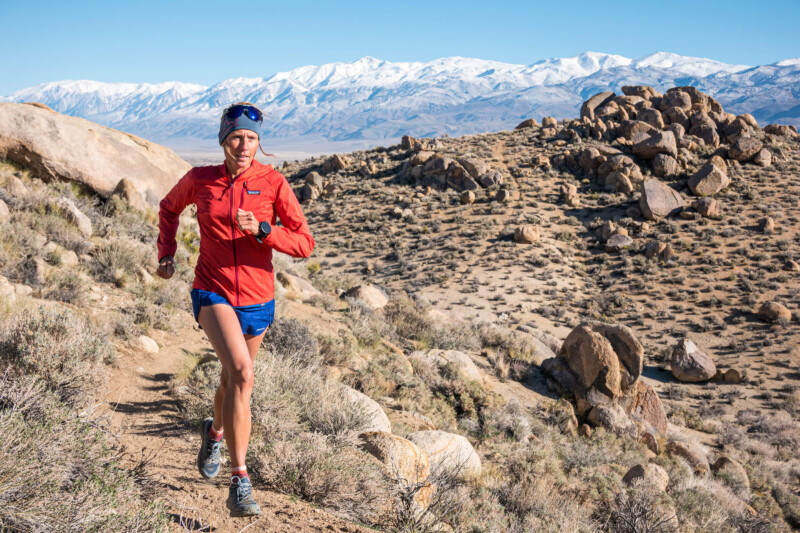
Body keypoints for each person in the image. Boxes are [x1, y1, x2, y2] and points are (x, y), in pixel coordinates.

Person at [155, 102, 314, 517]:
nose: (245, 146)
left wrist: (264, 230)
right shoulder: (200, 179)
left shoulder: (273, 182)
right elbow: (168, 208)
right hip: (213, 291)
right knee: (244, 374)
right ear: (223, 140)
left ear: (260, 143)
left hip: (259, 301)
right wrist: (166, 253)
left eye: (252, 139)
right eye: (237, 138)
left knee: (230, 381)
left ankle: (215, 431)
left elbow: (304, 243)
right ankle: (240, 480)